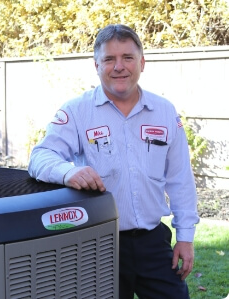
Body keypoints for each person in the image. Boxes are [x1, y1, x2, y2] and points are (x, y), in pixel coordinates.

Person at [28, 24, 199, 299]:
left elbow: (180, 179)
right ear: (96, 65)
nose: (119, 66)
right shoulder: (77, 111)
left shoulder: (164, 112)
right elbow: (40, 157)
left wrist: (186, 236)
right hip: (97, 245)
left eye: (127, 58)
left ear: (142, 62)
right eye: (109, 59)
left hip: (154, 243)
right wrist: (68, 171)